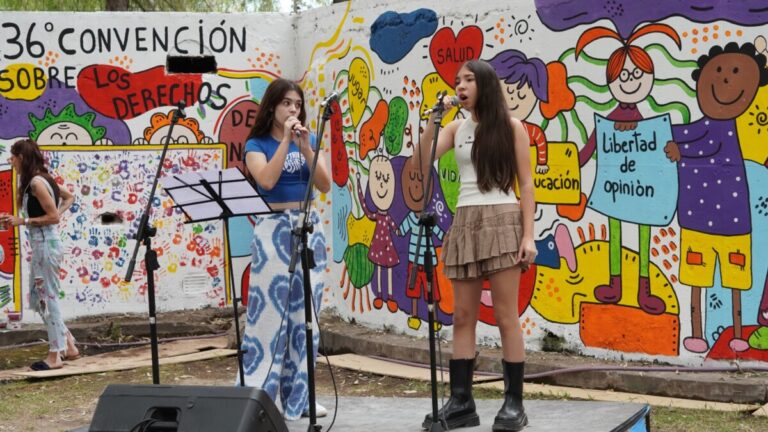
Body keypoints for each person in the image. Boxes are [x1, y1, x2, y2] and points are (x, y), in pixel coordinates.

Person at [418, 60, 537, 431]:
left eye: (469, 79)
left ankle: (514, 403)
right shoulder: (455, 127)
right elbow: (421, 162)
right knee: (463, 316)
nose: (461, 85)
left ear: (485, 84)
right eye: (457, 81)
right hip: (465, 219)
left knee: (505, 316)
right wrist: (433, 122)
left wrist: (528, 235)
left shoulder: (512, 127)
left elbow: (527, 183)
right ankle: (461, 401)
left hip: (502, 217)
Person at [241, 78, 331, 420]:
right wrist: (284, 144)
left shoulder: (305, 141)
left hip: (307, 229)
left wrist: (305, 146)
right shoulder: (256, 143)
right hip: (273, 232)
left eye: (297, 104)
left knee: (305, 317)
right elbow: (265, 180)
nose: (293, 109)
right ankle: (265, 394)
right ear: (273, 107)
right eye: (286, 104)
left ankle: (302, 395)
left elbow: (322, 184)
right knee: (269, 318)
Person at [1, 139, 77, 370]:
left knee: (47, 297)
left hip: (46, 246)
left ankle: (55, 354)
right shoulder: (40, 180)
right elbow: (68, 198)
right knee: (37, 299)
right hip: (42, 245)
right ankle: (69, 344)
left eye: (12, 157)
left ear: (21, 158)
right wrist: (20, 221)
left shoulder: (36, 182)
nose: (10, 161)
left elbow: (53, 216)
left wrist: (23, 221)